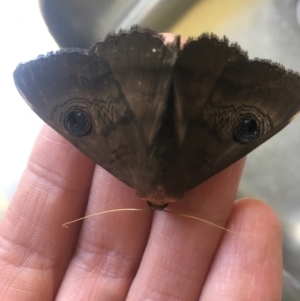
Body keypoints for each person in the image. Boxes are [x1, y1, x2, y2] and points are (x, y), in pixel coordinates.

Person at [0, 33, 282, 300]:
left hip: (142, 81)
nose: (158, 199)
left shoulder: (157, 173)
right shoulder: (169, 173)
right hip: (181, 86)